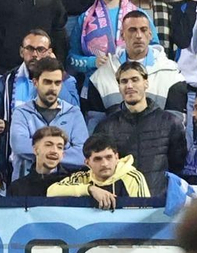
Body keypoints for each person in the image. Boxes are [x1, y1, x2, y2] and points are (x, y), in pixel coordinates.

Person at [95, 60, 188, 193]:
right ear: (119, 87)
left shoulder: (170, 123)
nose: (129, 86)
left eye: (135, 79)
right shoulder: (106, 126)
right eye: (124, 81)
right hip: (121, 205)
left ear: (146, 83)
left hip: (159, 204)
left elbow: (178, 166)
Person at [48, 132, 152, 204]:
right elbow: (51, 191)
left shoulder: (133, 177)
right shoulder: (81, 178)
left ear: (116, 157)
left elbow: (142, 213)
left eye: (109, 157)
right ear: (87, 163)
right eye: (98, 159)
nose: (104, 164)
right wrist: (89, 189)